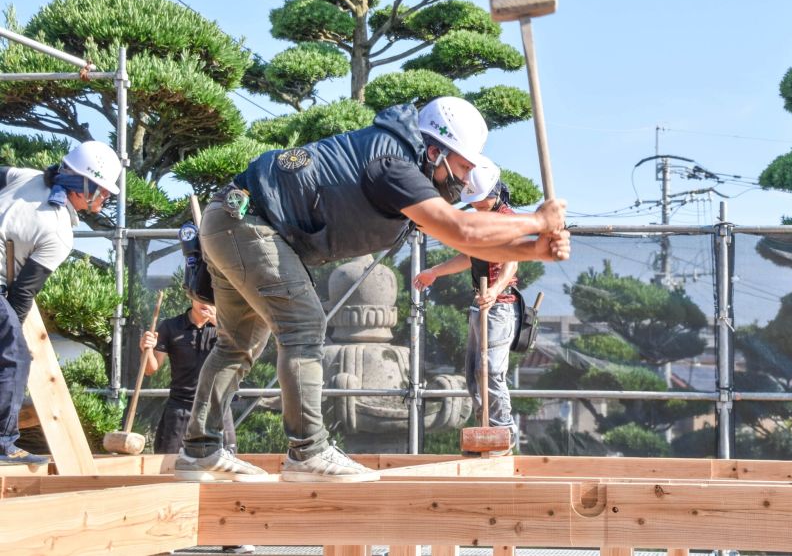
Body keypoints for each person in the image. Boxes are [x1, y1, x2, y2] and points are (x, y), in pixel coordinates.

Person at [177, 96, 569, 483]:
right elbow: (462, 229)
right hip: (248, 224)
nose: (466, 180)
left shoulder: (409, 168)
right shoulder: (393, 166)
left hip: (231, 219)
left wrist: (534, 249)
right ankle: (308, 451)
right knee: (304, 327)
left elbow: (469, 245)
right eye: (464, 167)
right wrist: (535, 220)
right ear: (435, 152)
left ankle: (199, 449)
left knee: (237, 344)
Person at [0, 141, 121, 465]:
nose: (107, 197)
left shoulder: (24, 177)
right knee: (14, 358)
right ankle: (2, 444)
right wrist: (12, 341)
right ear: (83, 187)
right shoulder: (58, 231)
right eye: (103, 190)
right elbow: (21, 295)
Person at [413, 158, 520, 454]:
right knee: (474, 372)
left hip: (499, 306)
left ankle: (502, 432)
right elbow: (468, 258)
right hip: (481, 304)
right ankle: (485, 430)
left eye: (481, 200)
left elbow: (513, 261)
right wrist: (435, 271)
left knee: (490, 371)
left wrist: (496, 289)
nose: (477, 206)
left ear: (496, 193)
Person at [140, 297, 237, 454]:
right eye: (201, 297)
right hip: (181, 407)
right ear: (191, 297)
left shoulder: (227, 329)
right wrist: (147, 348)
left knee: (225, 463)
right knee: (169, 463)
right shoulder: (171, 326)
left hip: (218, 407)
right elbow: (150, 369)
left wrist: (219, 325)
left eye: (211, 299)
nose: (206, 303)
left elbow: (240, 353)